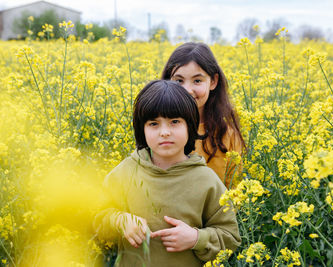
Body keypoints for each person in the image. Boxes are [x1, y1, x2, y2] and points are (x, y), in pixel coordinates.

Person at [94, 80, 241, 267]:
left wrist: (197, 238)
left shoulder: (207, 180)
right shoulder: (125, 172)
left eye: (175, 122)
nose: (164, 132)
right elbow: (97, 218)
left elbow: (230, 237)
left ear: (190, 126)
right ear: (142, 130)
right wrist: (120, 221)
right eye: (154, 124)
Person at [161, 42, 245, 188]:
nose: (187, 90)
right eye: (179, 81)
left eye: (197, 81)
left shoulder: (227, 133)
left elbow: (234, 189)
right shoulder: (158, 130)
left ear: (213, 82)